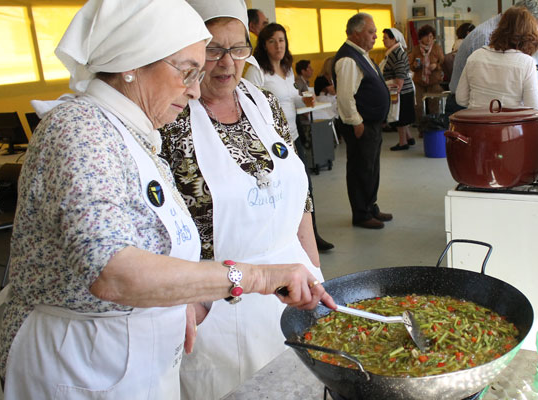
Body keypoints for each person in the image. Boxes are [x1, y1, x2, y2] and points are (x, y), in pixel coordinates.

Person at [0, 1, 334, 399]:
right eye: (188, 70)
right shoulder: (80, 130)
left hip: (134, 355)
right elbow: (113, 271)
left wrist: (183, 303)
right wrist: (255, 276)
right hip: (80, 362)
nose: (195, 88)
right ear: (132, 63)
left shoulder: (135, 133)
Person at [158, 2, 330, 398]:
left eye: (238, 50)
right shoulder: (169, 116)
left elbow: (299, 194)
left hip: (294, 284)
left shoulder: (264, 102)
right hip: (217, 303)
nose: (226, 64)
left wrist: (314, 268)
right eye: (213, 50)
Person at [245, 22, 334, 251]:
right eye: (272, 41)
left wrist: (304, 100)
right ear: (264, 45)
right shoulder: (257, 71)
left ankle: (311, 236)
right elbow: (249, 104)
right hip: (270, 144)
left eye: (282, 40)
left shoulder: (287, 69)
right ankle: (286, 241)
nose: (278, 45)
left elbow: (291, 98)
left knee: (304, 188)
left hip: (292, 138)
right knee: (279, 192)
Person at [333, 13, 392, 229]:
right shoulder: (349, 59)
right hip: (361, 125)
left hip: (371, 124)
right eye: (371, 31)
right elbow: (346, 96)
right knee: (361, 169)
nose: (375, 36)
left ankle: (370, 206)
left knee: (371, 167)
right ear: (356, 33)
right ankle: (361, 214)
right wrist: (356, 122)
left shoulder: (361, 54)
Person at [449, 0, 538, 94]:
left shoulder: (499, 33)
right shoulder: (485, 36)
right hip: (470, 104)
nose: (530, 37)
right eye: (531, 30)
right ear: (522, 21)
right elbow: (485, 87)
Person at [381, 27, 416, 151]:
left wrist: (397, 90)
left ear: (394, 39)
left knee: (399, 117)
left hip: (400, 90)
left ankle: (403, 142)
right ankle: (409, 137)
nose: (383, 40)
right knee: (403, 116)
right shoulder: (395, 52)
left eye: (385, 38)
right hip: (402, 89)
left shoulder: (396, 53)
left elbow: (400, 74)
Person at [409, 24, 445, 125]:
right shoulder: (416, 49)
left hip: (434, 81)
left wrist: (435, 66)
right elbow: (410, 65)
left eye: (431, 36)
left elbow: (442, 62)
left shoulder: (437, 48)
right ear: (421, 37)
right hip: (419, 82)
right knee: (418, 106)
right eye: (426, 36)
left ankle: (434, 126)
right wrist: (415, 65)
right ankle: (421, 127)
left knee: (434, 105)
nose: (429, 39)